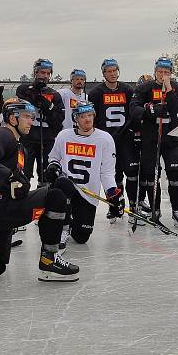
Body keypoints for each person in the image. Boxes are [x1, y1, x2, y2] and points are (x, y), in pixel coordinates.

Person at [0, 97, 79, 281]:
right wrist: (9, 177)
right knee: (55, 196)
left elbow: (14, 181)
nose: (31, 121)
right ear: (12, 118)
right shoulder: (3, 134)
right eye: (26, 116)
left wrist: (25, 181)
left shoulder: (18, 145)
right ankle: (49, 259)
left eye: (32, 117)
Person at [46, 101, 120, 247]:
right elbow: (53, 157)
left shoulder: (104, 139)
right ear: (75, 119)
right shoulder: (64, 135)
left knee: (82, 237)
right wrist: (53, 166)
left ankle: (72, 223)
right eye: (82, 116)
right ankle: (62, 228)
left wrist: (113, 194)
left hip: (88, 193)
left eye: (90, 115)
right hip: (68, 187)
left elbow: (107, 172)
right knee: (62, 184)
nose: (87, 119)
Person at [132, 57, 178, 228]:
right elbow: (133, 109)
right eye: (160, 72)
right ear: (155, 71)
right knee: (151, 174)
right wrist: (149, 110)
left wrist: (170, 91)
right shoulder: (145, 87)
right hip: (151, 136)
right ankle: (155, 209)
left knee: (175, 173)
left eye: (167, 72)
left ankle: (177, 209)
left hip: (171, 136)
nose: (163, 75)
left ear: (171, 72)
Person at [87, 58, 142, 223]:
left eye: (114, 70)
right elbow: (92, 117)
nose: (112, 73)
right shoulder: (96, 93)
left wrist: (134, 132)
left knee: (132, 173)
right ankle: (115, 205)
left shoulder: (127, 90)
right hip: (107, 140)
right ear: (103, 73)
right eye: (109, 71)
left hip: (125, 137)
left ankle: (134, 206)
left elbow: (133, 113)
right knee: (113, 175)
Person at [15, 58, 65, 183]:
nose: (45, 76)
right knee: (23, 173)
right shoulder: (24, 89)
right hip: (27, 139)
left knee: (46, 176)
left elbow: (59, 120)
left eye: (48, 73)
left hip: (46, 140)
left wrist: (48, 108)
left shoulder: (54, 94)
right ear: (35, 72)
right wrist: (36, 93)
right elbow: (22, 99)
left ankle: (43, 196)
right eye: (43, 72)